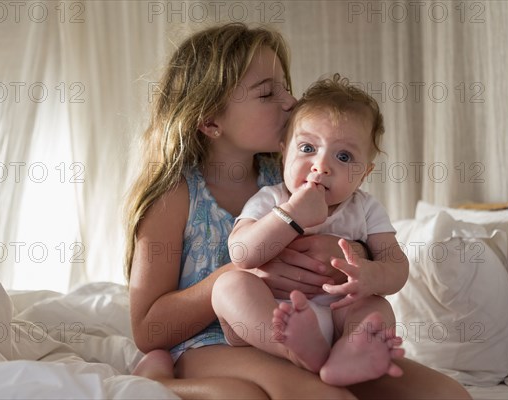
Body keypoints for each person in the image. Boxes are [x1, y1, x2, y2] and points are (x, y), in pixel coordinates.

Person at [125, 22, 471, 399]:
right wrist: (250, 267)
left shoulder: (294, 173)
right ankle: (160, 383)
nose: (290, 101)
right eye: (267, 93)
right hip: (211, 343)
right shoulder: (175, 196)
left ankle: (323, 356)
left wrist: (351, 255)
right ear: (211, 120)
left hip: (315, 328)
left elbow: (360, 229)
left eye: (286, 87)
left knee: (448, 395)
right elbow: (147, 330)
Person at [211, 74, 408, 386]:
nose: (321, 165)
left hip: (341, 314)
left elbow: (397, 265)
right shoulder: (273, 199)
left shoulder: (365, 208)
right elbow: (240, 253)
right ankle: (294, 349)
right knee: (228, 287)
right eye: (307, 147)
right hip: (275, 314)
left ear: (364, 174)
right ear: (283, 153)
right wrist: (291, 216)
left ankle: (350, 355)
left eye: (343, 156)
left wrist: (371, 275)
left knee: (376, 308)